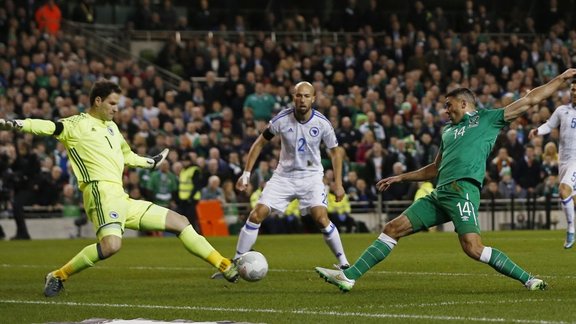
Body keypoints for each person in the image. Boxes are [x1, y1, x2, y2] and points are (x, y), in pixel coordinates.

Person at [315, 68, 576, 292]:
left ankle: (530, 280)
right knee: (392, 228)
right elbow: (435, 168)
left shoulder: (488, 119)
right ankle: (349, 277)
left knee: (473, 248)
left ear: (464, 103)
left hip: (463, 190)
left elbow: (531, 100)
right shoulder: (448, 131)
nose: (445, 110)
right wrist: (401, 177)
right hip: (440, 194)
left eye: (448, 105)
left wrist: (562, 79)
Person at [0, 80, 239, 297]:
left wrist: (151, 162)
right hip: (99, 193)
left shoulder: (113, 129)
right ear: (98, 101)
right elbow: (48, 126)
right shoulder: (77, 124)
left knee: (180, 221)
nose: (116, 109)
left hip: (121, 197)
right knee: (111, 246)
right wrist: (15, 124)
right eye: (113, 104)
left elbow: (128, 155)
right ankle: (57, 276)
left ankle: (225, 266)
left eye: (118, 104)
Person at [221, 81, 350, 274]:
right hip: (284, 177)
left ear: (313, 98)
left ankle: (344, 263)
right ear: (293, 98)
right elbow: (258, 144)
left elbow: (335, 152)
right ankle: (236, 261)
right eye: (298, 95)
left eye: (307, 96)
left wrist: (338, 183)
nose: (302, 99)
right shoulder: (281, 119)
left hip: (311, 176)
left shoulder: (323, 123)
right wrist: (246, 174)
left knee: (321, 217)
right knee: (256, 214)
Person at [528, 79, 576, 249]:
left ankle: (571, 230)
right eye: (572, 89)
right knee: (570, 197)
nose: (574, 92)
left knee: (563, 190)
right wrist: (537, 131)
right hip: (562, 160)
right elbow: (549, 125)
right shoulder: (562, 110)